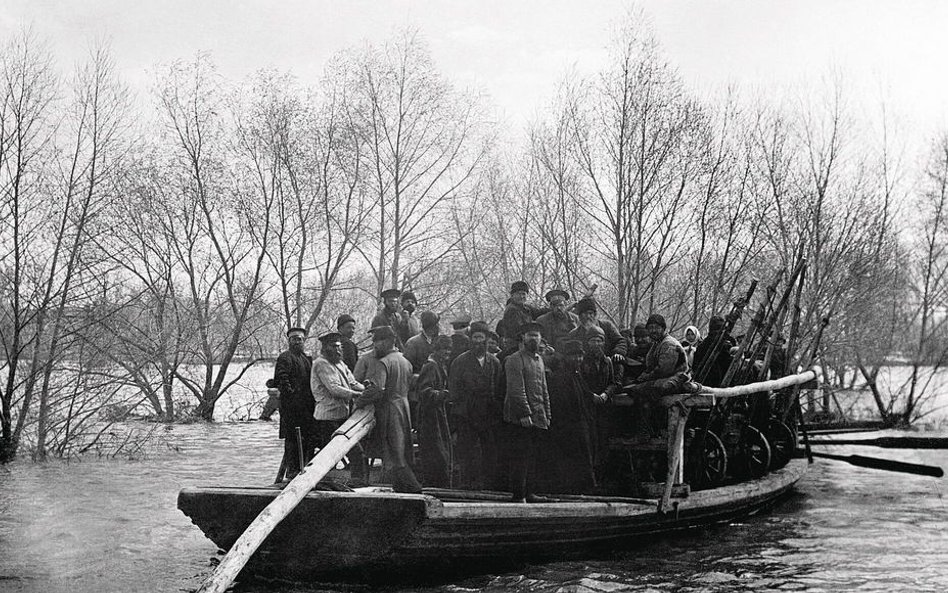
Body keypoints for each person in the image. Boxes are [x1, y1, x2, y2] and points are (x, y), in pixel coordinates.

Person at [354, 325, 423, 493]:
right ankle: (400, 490)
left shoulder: (382, 362)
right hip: (403, 407)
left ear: (387, 342)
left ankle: (415, 490)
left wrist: (359, 403)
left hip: (389, 410)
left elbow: (377, 390)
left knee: (395, 455)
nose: (374, 346)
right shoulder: (404, 360)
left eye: (377, 342)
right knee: (401, 451)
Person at [449, 321, 503, 490]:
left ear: (487, 340)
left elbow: (499, 387)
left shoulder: (494, 362)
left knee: (489, 452)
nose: (478, 341)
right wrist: (459, 416)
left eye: (481, 338)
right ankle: (467, 486)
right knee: (467, 452)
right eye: (475, 337)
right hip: (467, 414)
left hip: (488, 413)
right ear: (470, 339)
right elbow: (454, 390)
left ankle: (488, 486)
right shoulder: (460, 361)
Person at [503, 321, 551, 503]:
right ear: (523, 338)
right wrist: (524, 413)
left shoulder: (539, 360)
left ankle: (530, 493)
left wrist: (547, 413)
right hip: (520, 419)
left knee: (533, 457)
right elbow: (516, 390)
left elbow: (544, 389)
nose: (533, 338)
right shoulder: (515, 359)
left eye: (536, 335)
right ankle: (519, 495)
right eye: (530, 335)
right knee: (520, 458)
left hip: (538, 417)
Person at [310, 332, 367, 483]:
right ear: (325, 348)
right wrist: (356, 395)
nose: (338, 350)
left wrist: (365, 390)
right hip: (327, 418)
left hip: (341, 415)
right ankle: (321, 482)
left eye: (339, 347)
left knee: (355, 451)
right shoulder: (321, 364)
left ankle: (357, 481)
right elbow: (334, 388)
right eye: (334, 347)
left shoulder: (340, 363)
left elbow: (352, 382)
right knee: (329, 454)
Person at [545, 340, 600, 494]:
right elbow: (561, 404)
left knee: (584, 455)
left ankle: (585, 487)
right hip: (568, 425)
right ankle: (572, 489)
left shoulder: (576, 374)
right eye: (574, 356)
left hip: (580, 422)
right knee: (571, 457)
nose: (578, 360)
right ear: (566, 357)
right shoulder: (560, 376)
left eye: (580, 356)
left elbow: (584, 394)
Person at [273, 327, 316, 481]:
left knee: (306, 437)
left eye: (300, 339)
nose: (297, 342)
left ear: (304, 341)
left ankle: (302, 468)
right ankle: (292, 471)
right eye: (294, 339)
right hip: (291, 407)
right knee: (291, 439)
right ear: (289, 341)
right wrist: (291, 397)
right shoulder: (285, 357)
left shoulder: (305, 358)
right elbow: (281, 379)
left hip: (306, 406)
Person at [416, 335, 454, 487]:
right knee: (435, 452)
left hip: (437, 414)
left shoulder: (439, 365)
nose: (447, 353)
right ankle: (435, 487)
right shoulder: (431, 366)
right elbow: (424, 391)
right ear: (436, 350)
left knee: (440, 451)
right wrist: (443, 394)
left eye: (449, 350)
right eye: (444, 349)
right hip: (429, 417)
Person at [567, 297, 627, 364]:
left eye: (590, 313)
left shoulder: (607, 326)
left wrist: (618, 353)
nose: (588, 316)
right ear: (579, 316)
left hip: (608, 363)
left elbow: (620, 341)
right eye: (584, 314)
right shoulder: (574, 334)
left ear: (595, 314)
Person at [693, 315, 735, 387]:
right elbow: (727, 362)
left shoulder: (702, 345)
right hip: (716, 383)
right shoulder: (719, 344)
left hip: (703, 383)